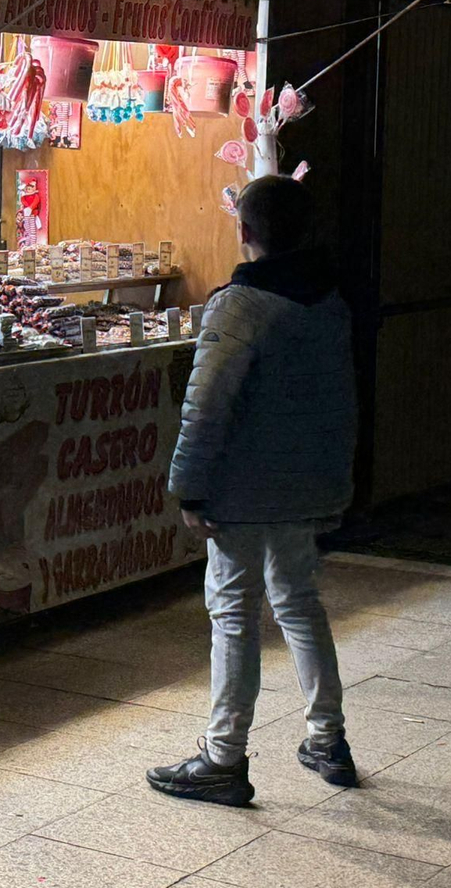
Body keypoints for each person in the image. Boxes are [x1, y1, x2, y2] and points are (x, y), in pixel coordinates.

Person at [147, 175, 358, 807]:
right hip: (307, 482)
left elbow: (204, 407)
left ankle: (223, 757)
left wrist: (188, 487)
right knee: (299, 601)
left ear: (244, 232)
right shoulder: (331, 299)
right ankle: (328, 738)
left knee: (233, 611)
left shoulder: (239, 305)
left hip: (242, 489)